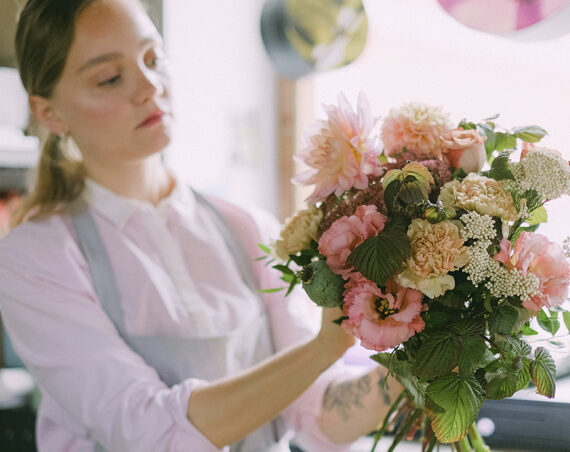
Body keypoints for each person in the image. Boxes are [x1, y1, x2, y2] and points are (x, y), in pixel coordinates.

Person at [0, 1, 402, 451]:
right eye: (110, 78)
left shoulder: (246, 227)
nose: (149, 87)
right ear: (49, 112)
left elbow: (316, 409)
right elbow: (147, 431)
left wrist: (413, 367)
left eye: (153, 59)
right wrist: (322, 348)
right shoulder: (36, 257)